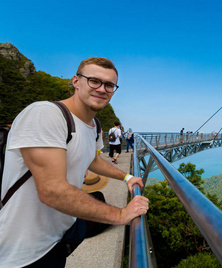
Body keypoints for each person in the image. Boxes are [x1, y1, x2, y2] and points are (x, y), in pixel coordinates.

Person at [0, 57, 149, 267]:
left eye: (109, 85)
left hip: (58, 236)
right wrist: (121, 215)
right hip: (23, 249)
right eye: (93, 80)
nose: (102, 89)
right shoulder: (45, 114)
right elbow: (52, 190)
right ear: (76, 81)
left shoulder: (93, 125)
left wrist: (126, 176)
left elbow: (92, 160)